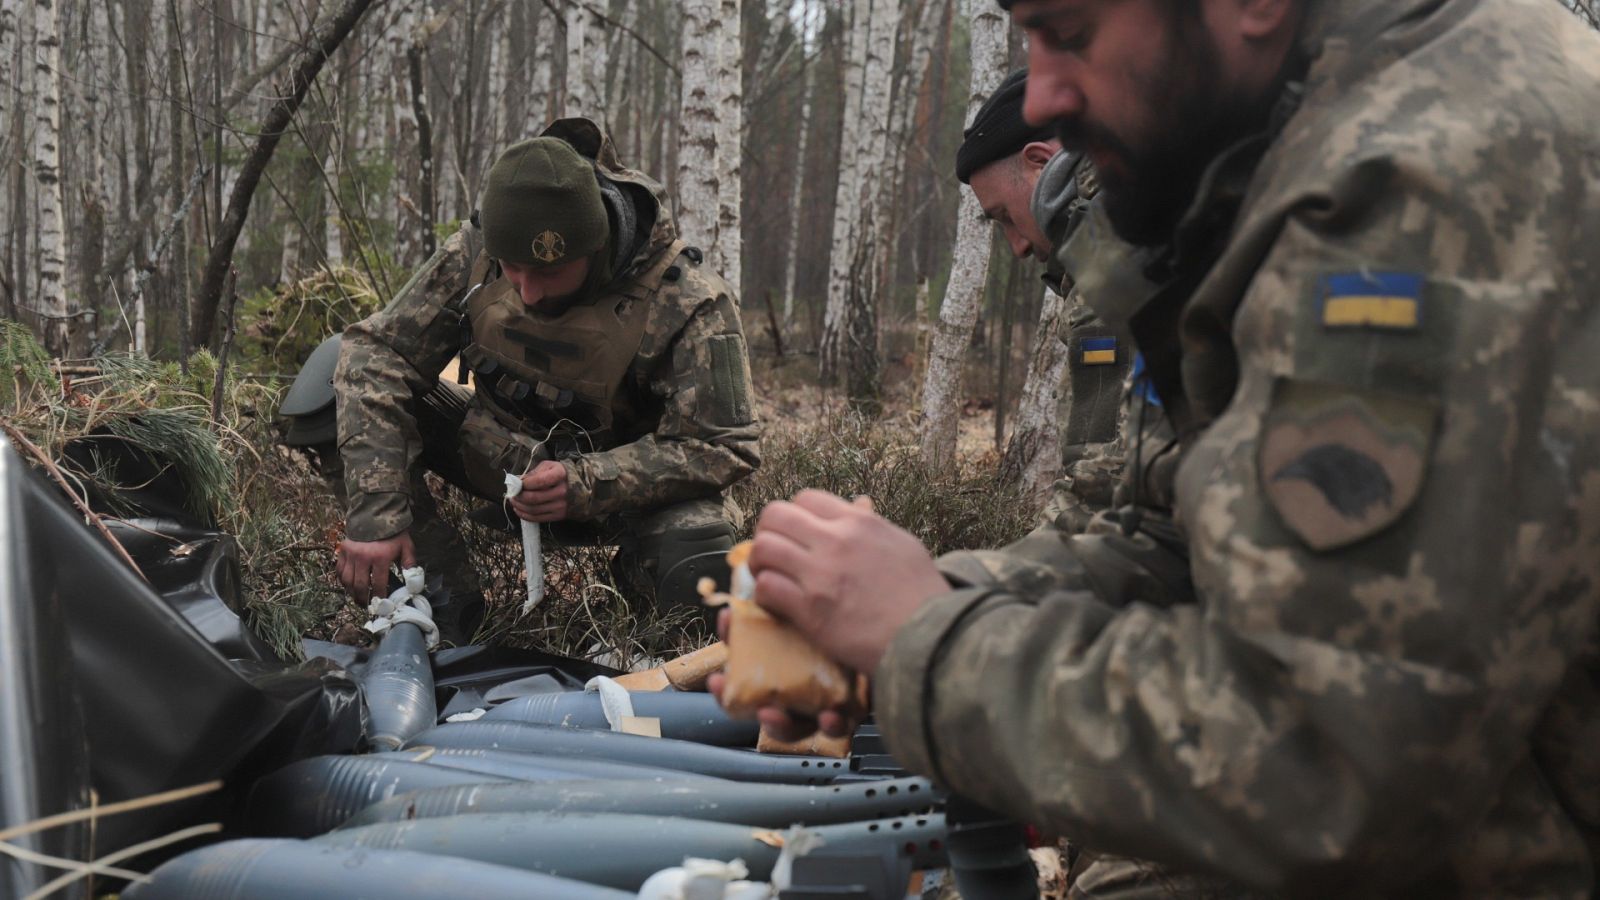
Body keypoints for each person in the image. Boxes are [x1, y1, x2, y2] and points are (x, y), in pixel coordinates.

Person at [725, 0, 1600, 895]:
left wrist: (928, 644)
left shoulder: (1425, 173)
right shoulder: (1259, 145)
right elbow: (1173, 534)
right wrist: (909, 605)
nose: (1039, 98)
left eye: (1070, 34)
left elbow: (1328, 763)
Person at [334, 117, 761, 642]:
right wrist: (377, 514)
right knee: (330, 388)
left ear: (596, 246)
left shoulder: (687, 301)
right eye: (512, 269)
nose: (528, 292)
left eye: (549, 272)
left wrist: (587, 482)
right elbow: (377, 354)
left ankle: (643, 638)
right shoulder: (477, 251)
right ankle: (437, 601)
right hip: (494, 457)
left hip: (621, 499)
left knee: (698, 552)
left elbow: (724, 445)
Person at [955, 69, 1135, 544]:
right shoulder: (1154, 205)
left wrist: (947, 583)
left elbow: (1101, 507)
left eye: (1004, 217)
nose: (1016, 246)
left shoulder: (1118, 258)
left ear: (1039, 162)